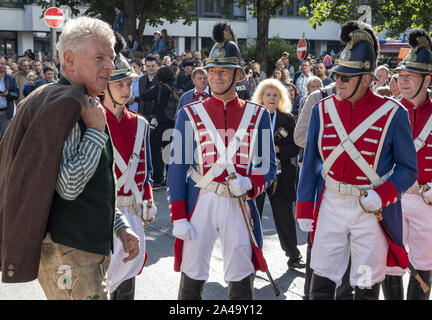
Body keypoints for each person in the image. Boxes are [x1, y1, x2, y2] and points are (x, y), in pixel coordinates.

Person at [0, 16, 140, 300]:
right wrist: (97, 131)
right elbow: (70, 185)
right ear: (70, 60)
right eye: (99, 57)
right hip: (70, 252)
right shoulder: (67, 103)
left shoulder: (61, 97)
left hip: (75, 251)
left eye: (111, 58)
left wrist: (120, 226)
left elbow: (89, 184)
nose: (110, 66)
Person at [295, 20, 417, 300]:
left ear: (366, 78)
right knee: (322, 279)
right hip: (330, 204)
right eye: (337, 75)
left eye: (346, 77)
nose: (338, 81)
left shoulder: (393, 113)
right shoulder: (321, 110)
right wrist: (304, 205)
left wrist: (383, 195)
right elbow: (311, 162)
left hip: (369, 209)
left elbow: (409, 169)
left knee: (364, 282)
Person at [167, 22, 276, 300]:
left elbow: (268, 167)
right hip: (200, 199)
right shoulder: (188, 114)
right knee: (192, 272)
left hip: (237, 202)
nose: (216, 77)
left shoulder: (258, 114)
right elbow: (178, 168)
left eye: (223, 71)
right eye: (212, 70)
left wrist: (250, 183)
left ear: (238, 75)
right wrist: (178, 214)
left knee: (240, 272)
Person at [102, 41, 157, 299]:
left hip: (133, 211)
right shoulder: (92, 119)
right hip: (103, 213)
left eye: (128, 84)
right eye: (119, 84)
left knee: (127, 283)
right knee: (100, 284)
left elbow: (144, 171)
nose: (126, 90)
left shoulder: (141, 124)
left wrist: (149, 198)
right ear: (105, 87)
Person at [384, 28, 432, 300]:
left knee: (424, 262)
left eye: (409, 76)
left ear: (427, 80)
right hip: (393, 197)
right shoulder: (386, 111)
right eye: (400, 75)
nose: (402, 81)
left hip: (427, 199)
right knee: (389, 260)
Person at [251, 78, 304, 270]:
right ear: (261, 97)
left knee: (284, 217)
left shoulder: (287, 118)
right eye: (268, 95)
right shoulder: (252, 116)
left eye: (275, 95)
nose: (272, 98)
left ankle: (294, 256)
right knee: (252, 215)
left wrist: (279, 151)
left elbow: (296, 146)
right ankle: (252, 256)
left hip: (282, 176)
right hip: (257, 174)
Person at [140, 66, 177, 189]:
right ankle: (170, 179)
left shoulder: (159, 87)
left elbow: (145, 96)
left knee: (155, 150)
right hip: (171, 122)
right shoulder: (173, 88)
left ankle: (158, 178)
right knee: (169, 151)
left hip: (159, 122)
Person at [0, 56, 19, 140]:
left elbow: (16, 94)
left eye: (2, 63)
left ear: (5, 65)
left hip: (6, 112)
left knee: (6, 138)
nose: (0, 65)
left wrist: (8, 94)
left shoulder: (11, 79)